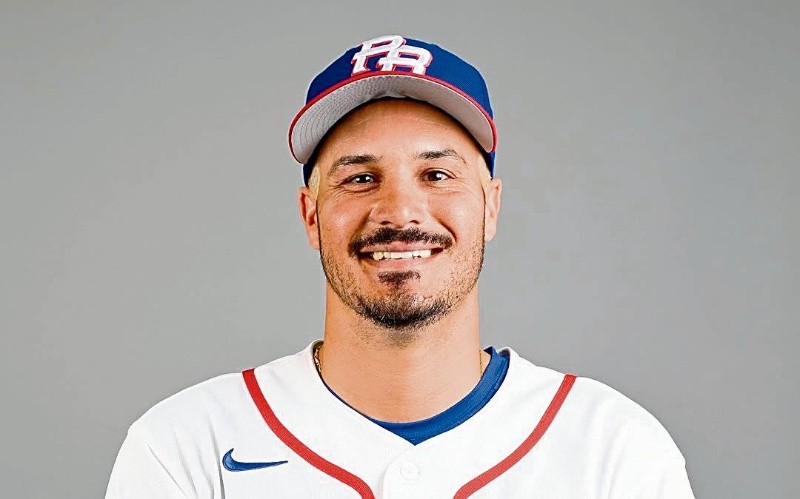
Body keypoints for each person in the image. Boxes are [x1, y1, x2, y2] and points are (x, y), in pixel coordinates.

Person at [107, 35, 695, 498]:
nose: (399, 210)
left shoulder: (613, 449)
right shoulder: (185, 448)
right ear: (311, 216)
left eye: (436, 174)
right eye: (361, 178)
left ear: (490, 207)